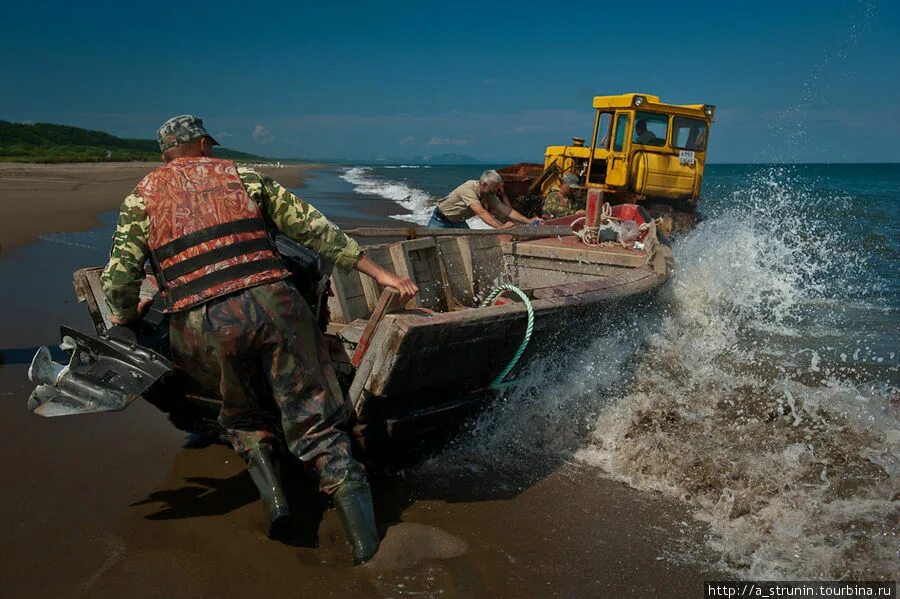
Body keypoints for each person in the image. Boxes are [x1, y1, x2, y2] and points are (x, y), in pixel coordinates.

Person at [100, 115, 418, 565]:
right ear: (204, 145)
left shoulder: (141, 197)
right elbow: (315, 230)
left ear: (165, 153)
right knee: (319, 421)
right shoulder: (243, 175)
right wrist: (381, 273)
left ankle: (277, 505)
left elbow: (120, 276)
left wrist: (123, 316)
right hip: (274, 306)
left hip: (199, 322)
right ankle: (368, 550)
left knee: (240, 415)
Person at [428, 169, 540, 228]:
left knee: (470, 246)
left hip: (458, 221)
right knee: (430, 248)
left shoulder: (489, 194)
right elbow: (481, 212)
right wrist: (500, 227)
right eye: (495, 187)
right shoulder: (468, 189)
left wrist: (529, 221)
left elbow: (507, 210)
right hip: (440, 220)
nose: (496, 190)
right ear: (484, 184)